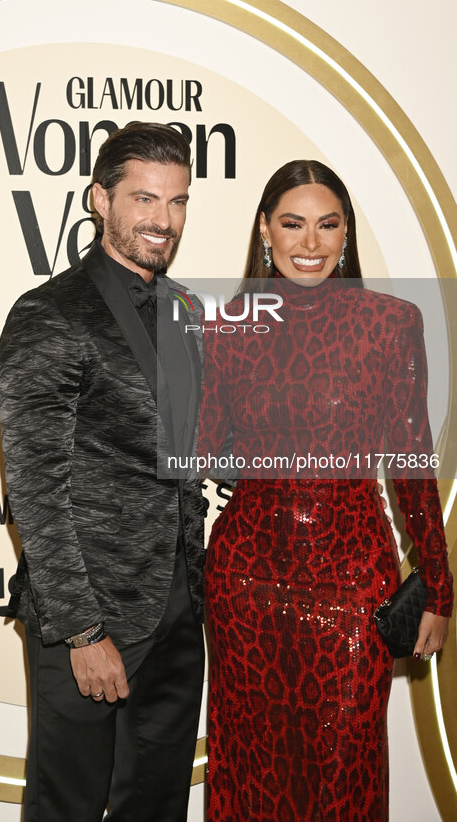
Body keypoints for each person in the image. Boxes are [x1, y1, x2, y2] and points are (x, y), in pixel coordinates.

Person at [198, 160, 453, 821]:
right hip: (245, 581)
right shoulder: (224, 328)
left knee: (345, 772)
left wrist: (437, 584)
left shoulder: (389, 324)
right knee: (249, 770)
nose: (309, 244)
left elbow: (409, 463)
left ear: (345, 234)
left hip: (349, 581)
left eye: (327, 225)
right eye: (291, 224)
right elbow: (199, 451)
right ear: (264, 230)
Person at [0, 122, 206, 822]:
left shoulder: (185, 310)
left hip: (177, 613)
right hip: (90, 619)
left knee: (155, 804)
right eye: (144, 199)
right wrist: (82, 634)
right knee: (71, 807)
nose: (162, 219)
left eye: (176, 202)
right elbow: (34, 489)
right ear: (98, 199)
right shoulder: (48, 314)